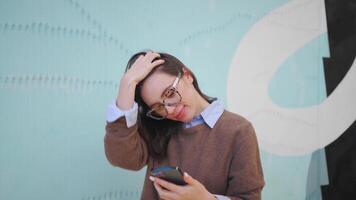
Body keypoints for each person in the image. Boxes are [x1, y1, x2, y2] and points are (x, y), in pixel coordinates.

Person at [104, 51, 265, 200]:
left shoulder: (239, 131)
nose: (169, 109)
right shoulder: (159, 129)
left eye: (169, 93)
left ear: (187, 75)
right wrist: (127, 83)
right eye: (158, 107)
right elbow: (122, 159)